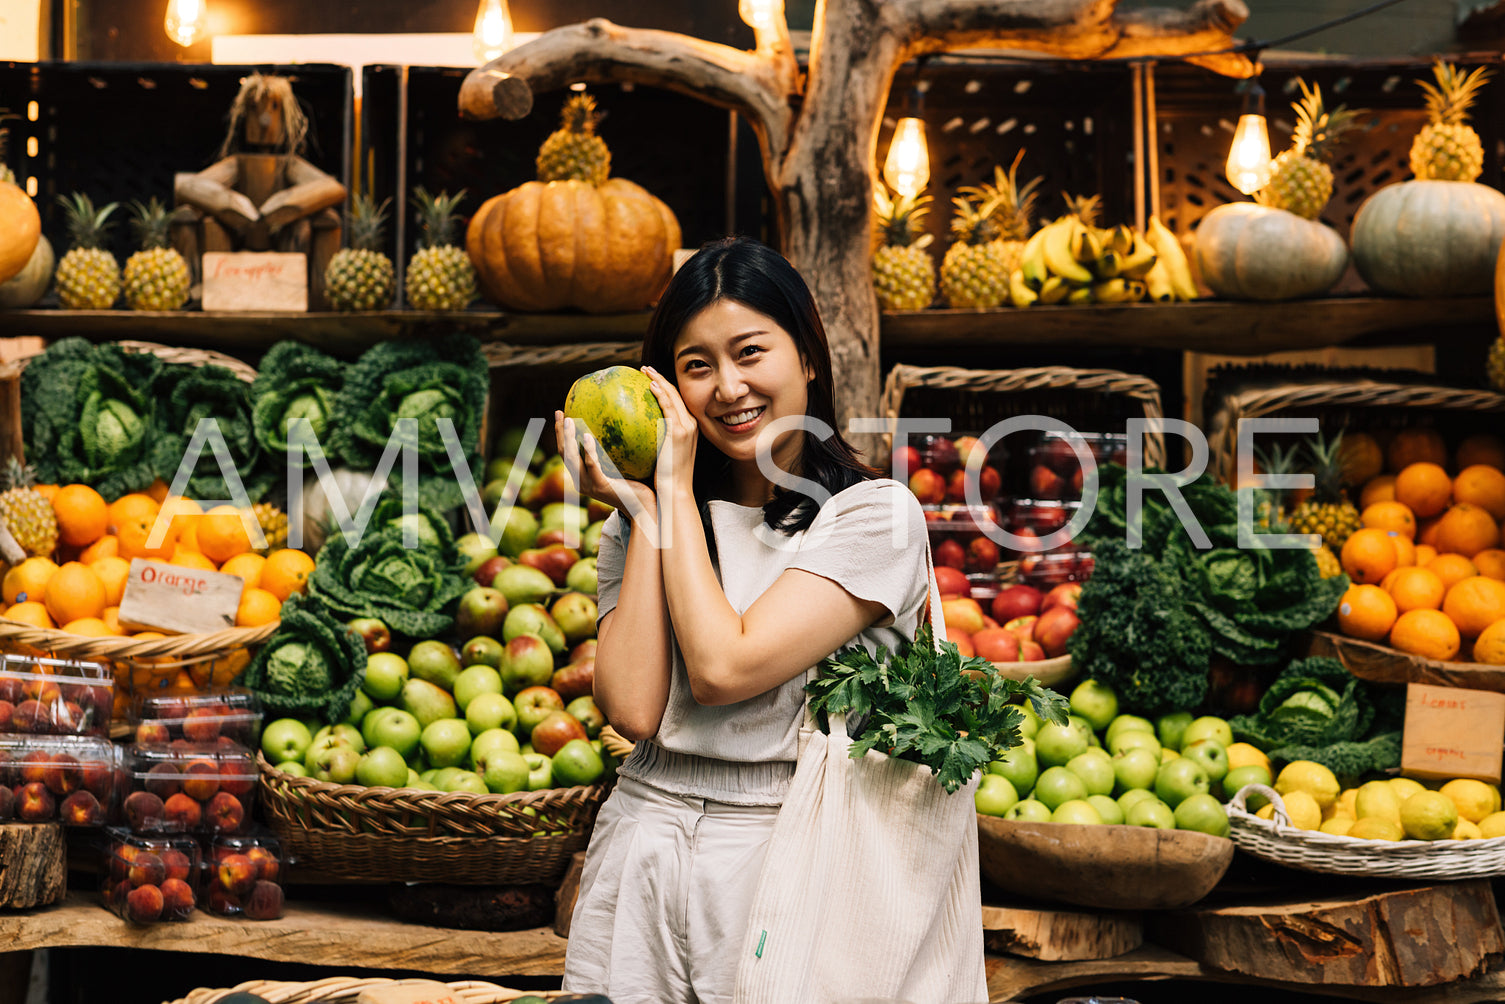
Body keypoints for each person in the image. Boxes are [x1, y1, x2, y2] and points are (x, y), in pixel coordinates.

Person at [556, 236, 962, 1003]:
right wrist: (647, 511)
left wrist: (668, 491)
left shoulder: (872, 518)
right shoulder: (648, 519)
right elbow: (635, 710)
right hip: (643, 841)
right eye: (696, 365)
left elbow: (722, 670)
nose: (727, 387)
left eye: (749, 352)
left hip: (791, 853)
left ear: (807, 355)